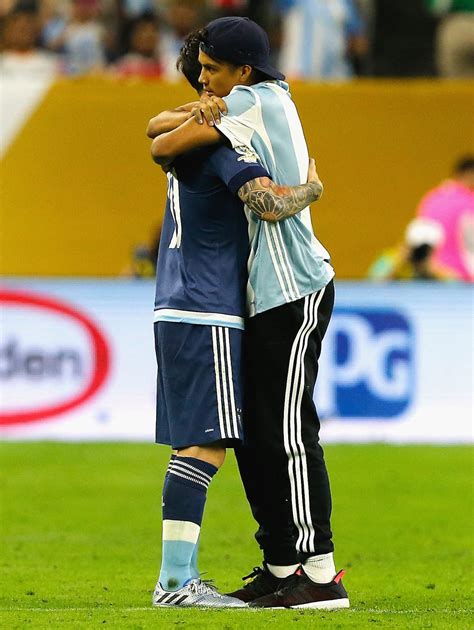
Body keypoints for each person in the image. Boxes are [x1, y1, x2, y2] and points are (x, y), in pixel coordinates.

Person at [149, 17, 348, 610]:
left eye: (213, 71)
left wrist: (309, 193)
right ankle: (282, 564)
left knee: (286, 431)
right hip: (259, 294)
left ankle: (319, 571)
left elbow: (163, 142)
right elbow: (159, 125)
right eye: (201, 71)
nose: (206, 83)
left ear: (244, 70)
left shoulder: (253, 107)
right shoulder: (247, 103)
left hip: (295, 289)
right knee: (258, 433)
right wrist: (197, 110)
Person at [416, 155, 474, 281]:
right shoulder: (469, 202)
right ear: (469, 175)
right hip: (463, 277)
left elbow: (420, 238)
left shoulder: (431, 198)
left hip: (436, 272)